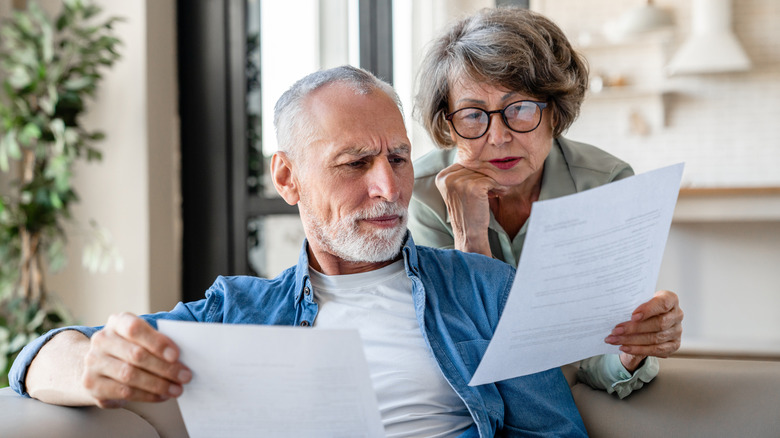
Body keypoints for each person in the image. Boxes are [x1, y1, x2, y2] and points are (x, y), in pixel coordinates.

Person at [10, 66, 587, 437]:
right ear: (287, 178)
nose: (389, 188)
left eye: (399, 158)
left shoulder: (483, 288)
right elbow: (34, 358)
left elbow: (553, 433)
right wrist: (93, 368)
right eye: (355, 163)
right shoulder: (239, 312)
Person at [409, 7, 683, 399]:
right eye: (472, 115)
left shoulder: (604, 186)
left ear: (554, 111)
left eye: (518, 108)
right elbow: (460, 355)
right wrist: (470, 240)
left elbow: (595, 355)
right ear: (448, 125)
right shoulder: (422, 195)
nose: (498, 136)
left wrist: (631, 350)